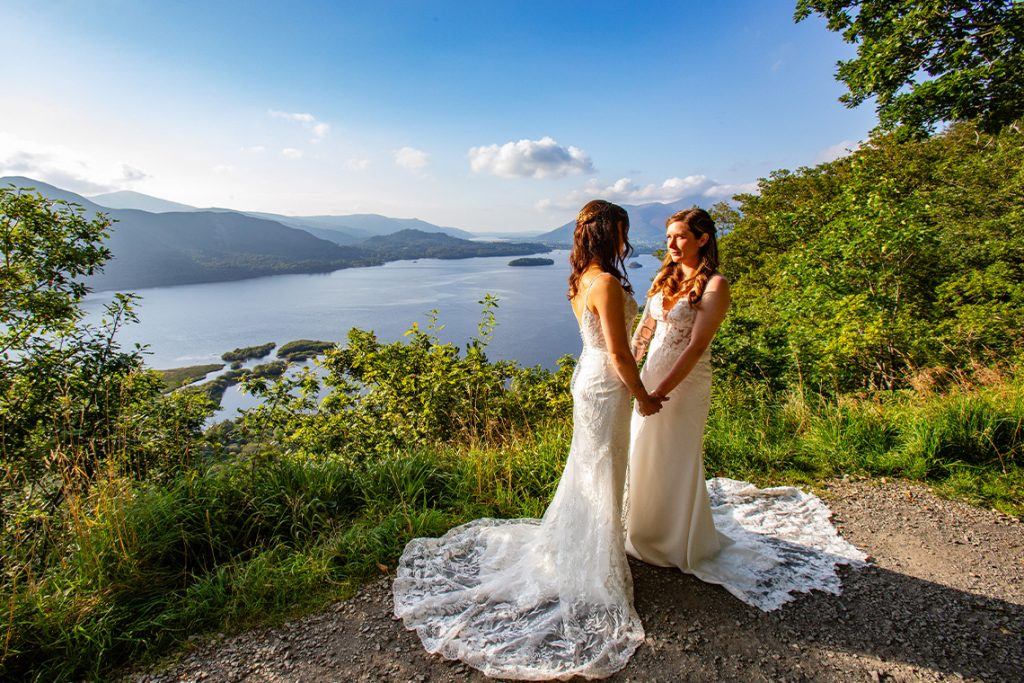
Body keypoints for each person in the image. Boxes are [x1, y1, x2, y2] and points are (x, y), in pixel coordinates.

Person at [393, 200, 662, 679]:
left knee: (591, 465)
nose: (627, 240)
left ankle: (590, 544)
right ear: (608, 234)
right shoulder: (604, 282)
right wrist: (643, 396)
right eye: (622, 231)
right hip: (608, 383)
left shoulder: (582, 280)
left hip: (591, 379)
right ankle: (594, 558)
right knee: (602, 465)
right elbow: (621, 355)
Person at [625, 208, 867, 612]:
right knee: (643, 449)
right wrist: (632, 376)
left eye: (680, 236)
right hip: (649, 377)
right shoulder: (665, 277)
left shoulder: (715, 285)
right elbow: (645, 331)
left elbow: (696, 346)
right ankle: (643, 530)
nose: (671, 243)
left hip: (683, 385)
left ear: (703, 239)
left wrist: (659, 393)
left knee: (675, 455)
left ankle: (675, 540)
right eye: (669, 237)